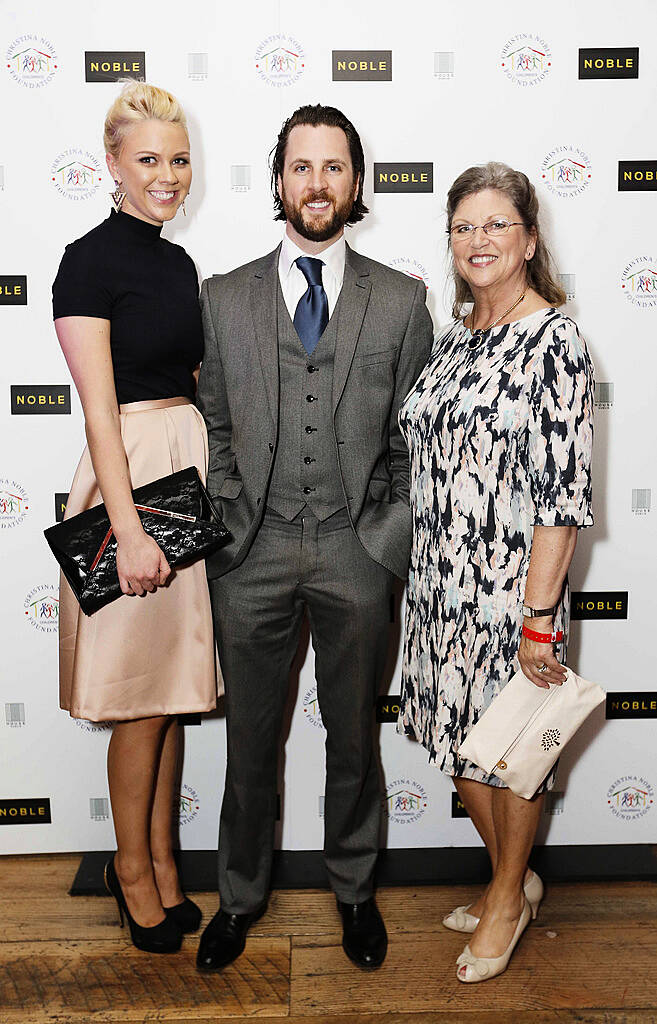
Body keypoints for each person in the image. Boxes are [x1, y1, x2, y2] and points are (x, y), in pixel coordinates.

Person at [196, 103, 433, 973]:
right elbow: (215, 424)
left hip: (355, 551)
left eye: (335, 167)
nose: (318, 184)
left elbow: (415, 437)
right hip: (248, 555)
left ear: (356, 182)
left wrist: (387, 538)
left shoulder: (402, 302)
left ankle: (355, 891)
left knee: (353, 738)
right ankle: (239, 897)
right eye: (302, 167)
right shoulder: (221, 299)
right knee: (249, 739)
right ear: (279, 181)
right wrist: (226, 523)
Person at [398, 162, 594, 983]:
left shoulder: (554, 341)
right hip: (436, 587)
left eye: (496, 225)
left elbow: (561, 496)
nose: (478, 240)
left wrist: (538, 615)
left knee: (511, 756)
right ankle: (509, 875)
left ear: (529, 239)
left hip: (508, 596)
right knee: (459, 748)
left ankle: (508, 895)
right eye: (463, 226)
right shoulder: (457, 335)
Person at [52, 82, 218, 954]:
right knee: (139, 707)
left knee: (170, 696)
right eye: (148, 159)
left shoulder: (175, 262)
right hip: (132, 485)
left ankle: (160, 861)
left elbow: (186, 381)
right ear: (111, 165)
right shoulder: (89, 261)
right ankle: (131, 874)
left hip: (180, 479)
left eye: (178, 159)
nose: (167, 175)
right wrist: (130, 530)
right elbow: (100, 412)